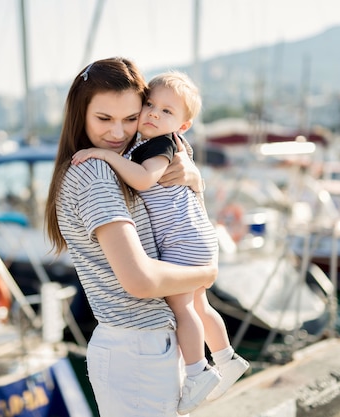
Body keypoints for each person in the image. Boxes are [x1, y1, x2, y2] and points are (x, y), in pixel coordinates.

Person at [45, 58, 218, 417]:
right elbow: (138, 280)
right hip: (134, 346)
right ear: (81, 115)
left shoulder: (120, 163)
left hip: (143, 344)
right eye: (104, 119)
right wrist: (207, 273)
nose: (118, 133)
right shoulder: (94, 171)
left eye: (130, 118)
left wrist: (194, 183)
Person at [71, 70, 249, 414]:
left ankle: (198, 371)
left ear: (182, 125)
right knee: (198, 304)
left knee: (184, 308)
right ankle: (226, 358)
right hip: (193, 235)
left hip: (183, 239)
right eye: (150, 104)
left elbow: (142, 180)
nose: (153, 113)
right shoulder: (164, 144)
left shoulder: (160, 145)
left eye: (166, 111)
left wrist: (106, 155)